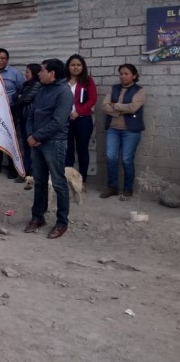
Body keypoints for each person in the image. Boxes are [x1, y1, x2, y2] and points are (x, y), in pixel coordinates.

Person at [24, 59, 74, 239]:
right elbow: (31, 115)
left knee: (59, 183)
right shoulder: (42, 90)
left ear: (52, 73)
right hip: (37, 143)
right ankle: (38, 217)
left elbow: (58, 121)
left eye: (43, 70)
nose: (39, 73)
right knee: (39, 181)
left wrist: (36, 137)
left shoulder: (64, 92)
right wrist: (31, 136)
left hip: (54, 143)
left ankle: (62, 222)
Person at [101, 63, 146, 201]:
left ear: (134, 75)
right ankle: (112, 187)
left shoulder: (140, 90)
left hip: (131, 131)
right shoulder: (113, 88)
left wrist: (115, 106)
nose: (123, 76)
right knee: (110, 157)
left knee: (127, 160)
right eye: (121, 73)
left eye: (126, 73)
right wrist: (121, 110)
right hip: (113, 129)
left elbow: (133, 107)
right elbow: (104, 106)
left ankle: (128, 189)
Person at [0, 48, 25, 179]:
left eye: (2, 58)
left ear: (7, 60)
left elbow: (21, 90)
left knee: (10, 138)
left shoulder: (15, 74)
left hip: (10, 110)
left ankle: (12, 168)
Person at [64, 54, 97, 182]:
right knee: (67, 149)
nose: (76, 67)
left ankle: (82, 179)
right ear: (68, 67)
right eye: (73, 65)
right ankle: (68, 177)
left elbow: (92, 99)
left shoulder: (87, 81)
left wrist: (78, 111)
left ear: (83, 67)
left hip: (83, 120)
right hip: (65, 120)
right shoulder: (63, 81)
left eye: (78, 65)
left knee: (82, 149)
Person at [12, 63, 42, 185]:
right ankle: (26, 172)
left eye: (28, 72)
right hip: (24, 119)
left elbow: (24, 99)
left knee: (32, 147)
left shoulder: (37, 85)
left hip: (32, 120)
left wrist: (20, 97)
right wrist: (19, 97)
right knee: (25, 146)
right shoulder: (26, 85)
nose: (25, 74)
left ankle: (31, 173)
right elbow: (16, 97)